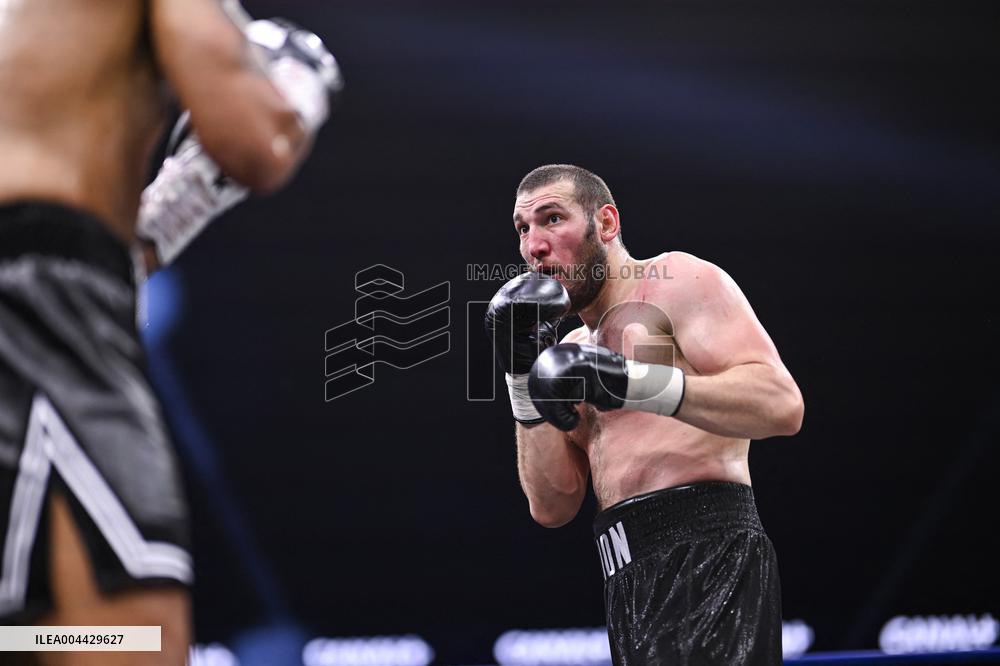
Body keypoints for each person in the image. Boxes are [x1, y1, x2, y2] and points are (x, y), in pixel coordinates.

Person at [0, 1, 336, 663]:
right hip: (41, 311)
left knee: (22, 635)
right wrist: (291, 88)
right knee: (126, 641)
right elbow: (253, 141)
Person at [486, 164, 804, 665]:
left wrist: (635, 383)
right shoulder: (568, 353)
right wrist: (519, 375)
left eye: (551, 219)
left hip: (707, 556)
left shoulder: (677, 281)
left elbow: (781, 405)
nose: (533, 246)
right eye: (523, 229)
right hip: (625, 579)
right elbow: (553, 505)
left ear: (606, 224)